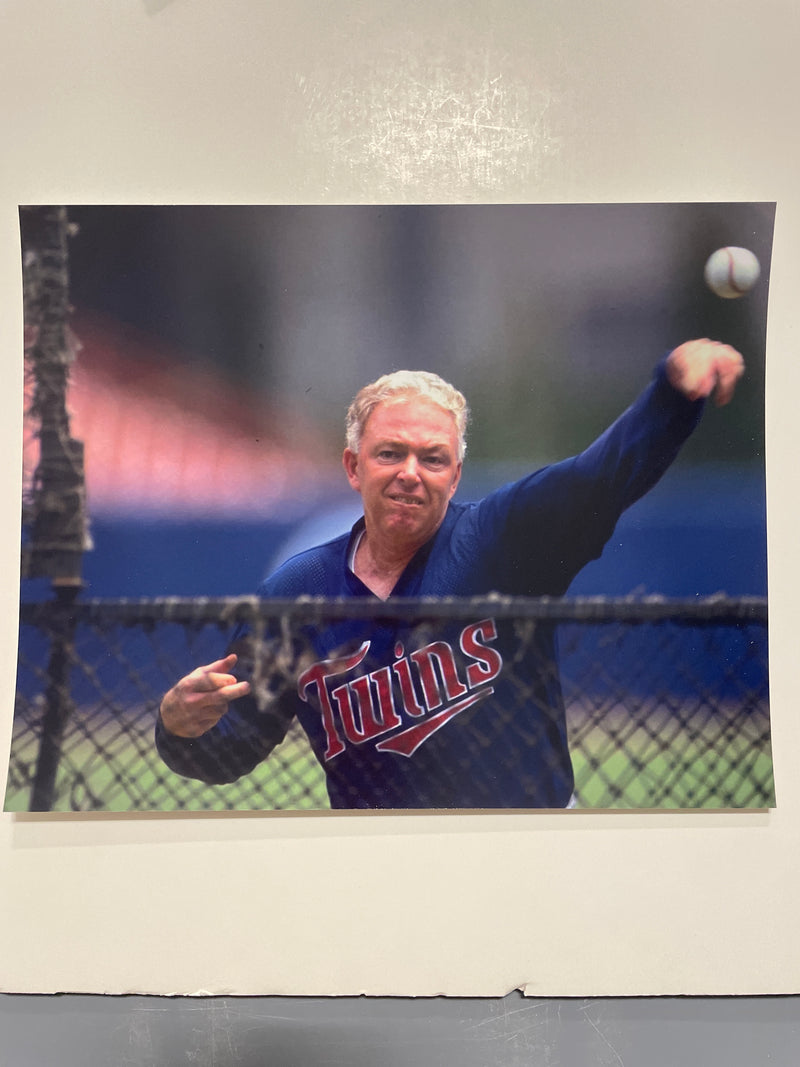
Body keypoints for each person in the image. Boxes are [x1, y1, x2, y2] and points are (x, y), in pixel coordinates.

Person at [156, 339, 745, 809]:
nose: (411, 472)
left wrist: (670, 393)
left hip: (529, 852)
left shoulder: (501, 541)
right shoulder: (295, 593)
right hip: (382, 866)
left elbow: (603, 476)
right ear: (353, 466)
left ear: (455, 475)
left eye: (433, 458)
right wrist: (178, 729)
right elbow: (233, 749)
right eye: (390, 452)